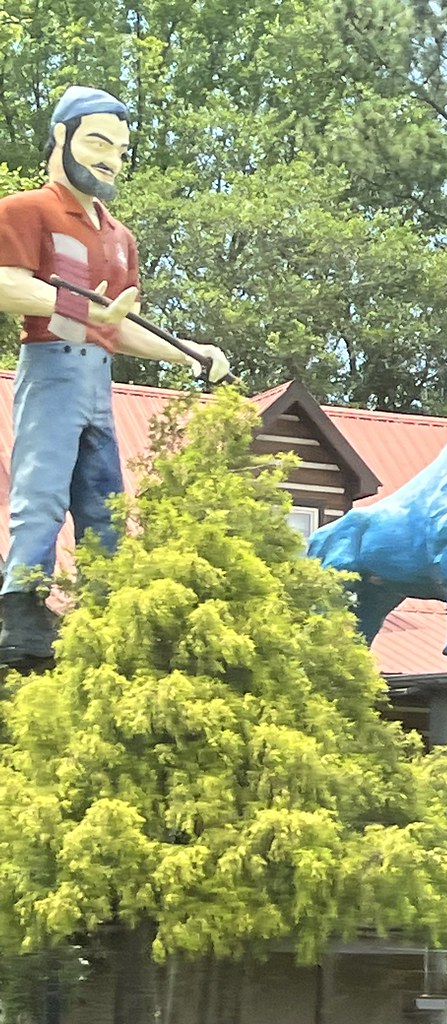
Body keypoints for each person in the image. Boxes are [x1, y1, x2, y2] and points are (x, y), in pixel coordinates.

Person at [0, 86, 230, 667]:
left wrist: (189, 353)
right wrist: (78, 308)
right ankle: (20, 603)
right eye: (98, 141)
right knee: (42, 490)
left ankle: (102, 603)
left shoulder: (119, 236)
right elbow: (6, 281)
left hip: (98, 381)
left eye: (121, 149)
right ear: (62, 136)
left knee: (104, 499)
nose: (110, 158)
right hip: (52, 369)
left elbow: (117, 324)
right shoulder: (26, 211)